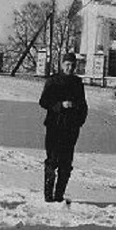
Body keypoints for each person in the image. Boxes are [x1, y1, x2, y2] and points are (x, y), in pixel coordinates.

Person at [38, 53, 88, 203]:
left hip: (71, 128)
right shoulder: (53, 81)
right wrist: (60, 105)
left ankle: (59, 195)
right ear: (62, 65)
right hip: (55, 126)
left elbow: (83, 106)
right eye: (67, 64)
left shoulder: (77, 83)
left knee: (66, 164)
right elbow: (43, 101)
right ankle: (48, 196)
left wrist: (79, 121)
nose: (70, 68)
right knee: (52, 160)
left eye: (72, 65)